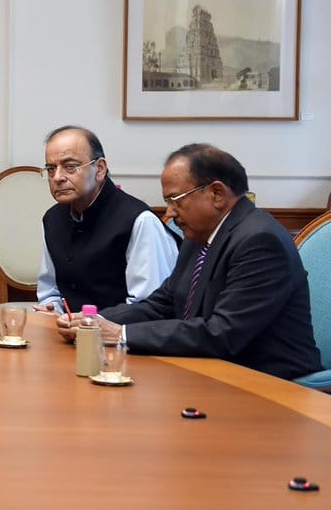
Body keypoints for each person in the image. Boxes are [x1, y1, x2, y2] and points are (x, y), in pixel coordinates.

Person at [56, 144, 321, 380]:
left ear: (217, 193)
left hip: (270, 386)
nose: (169, 214)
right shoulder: (200, 235)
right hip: (212, 372)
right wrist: (94, 321)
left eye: (175, 200)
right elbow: (162, 304)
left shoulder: (260, 241)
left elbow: (222, 333)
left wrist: (121, 335)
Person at [35, 126, 178, 312]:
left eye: (70, 167)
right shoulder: (53, 218)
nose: (58, 177)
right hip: (68, 332)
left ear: (100, 169)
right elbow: (50, 292)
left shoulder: (139, 221)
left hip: (125, 336)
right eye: (51, 169)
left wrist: (96, 324)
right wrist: (52, 312)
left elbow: (150, 307)